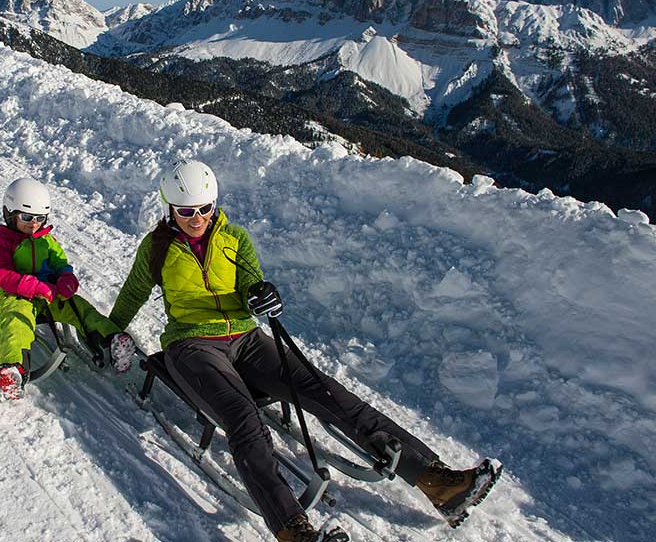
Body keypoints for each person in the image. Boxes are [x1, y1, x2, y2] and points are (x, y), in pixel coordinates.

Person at [109, 160, 501, 542]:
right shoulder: (156, 248)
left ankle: (437, 482)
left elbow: (251, 285)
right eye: (186, 211)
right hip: (192, 345)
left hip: (245, 337)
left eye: (205, 209)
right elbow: (132, 294)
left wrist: (260, 296)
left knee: (325, 390)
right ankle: (293, 529)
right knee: (244, 419)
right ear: (170, 209)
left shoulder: (235, 239)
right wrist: (107, 333)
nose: (197, 218)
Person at [0, 177, 136, 400]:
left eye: (40, 218)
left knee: (80, 308)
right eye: (26, 217)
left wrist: (66, 277)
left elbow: (59, 262)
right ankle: (13, 370)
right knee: (15, 322)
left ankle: (112, 340)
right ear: (9, 212)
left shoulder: (46, 239)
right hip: (15, 295)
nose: (33, 224)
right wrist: (32, 285)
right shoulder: (1, 241)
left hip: (48, 294)